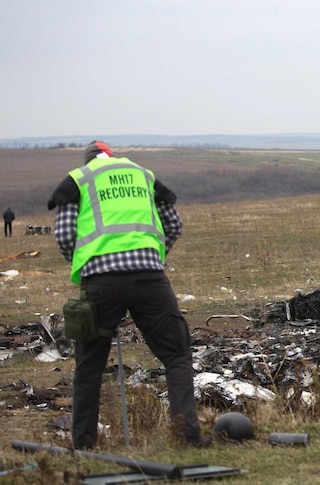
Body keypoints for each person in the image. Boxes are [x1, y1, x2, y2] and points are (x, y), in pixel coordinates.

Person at [48, 141, 208, 449]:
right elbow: (173, 223)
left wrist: (85, 263)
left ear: (89, 159)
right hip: (150, 278)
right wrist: (153, 256)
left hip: (101, 283)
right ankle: (187, 436)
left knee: (89, 365)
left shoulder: (79, 179)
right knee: (176, 355)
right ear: (111, 155)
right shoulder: (143, 175)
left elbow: (66, 234)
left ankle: (83, 445)